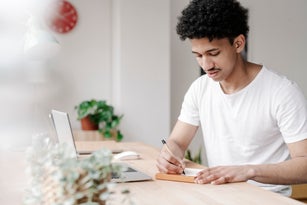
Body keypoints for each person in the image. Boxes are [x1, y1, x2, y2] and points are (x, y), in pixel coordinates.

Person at [156, 0, 307, 196]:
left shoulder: (281, 92)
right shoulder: (200, 89)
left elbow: (304, 164)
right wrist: (170, 154)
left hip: (266, 199)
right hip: (219, 196)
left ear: (238, 43)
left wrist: (248, 171)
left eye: (213, 53)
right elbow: (177, 141)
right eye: (198, 55)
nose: (206, 65)